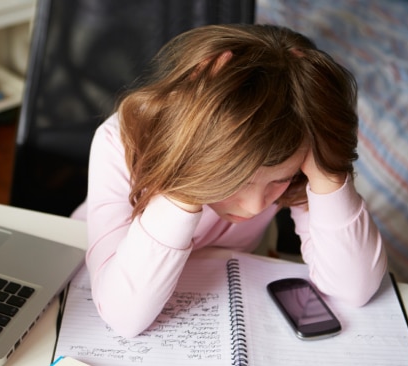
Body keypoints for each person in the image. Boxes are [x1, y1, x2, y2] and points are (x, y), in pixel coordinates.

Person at [71, 23, 387, 338]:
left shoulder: (296, 147)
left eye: (279, 180)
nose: (255, 207)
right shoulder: (118, 142)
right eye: (237, 181)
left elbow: (354, 289)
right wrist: (192, 160)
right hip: (93, 268)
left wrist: (327, 170)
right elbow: (124, 317)